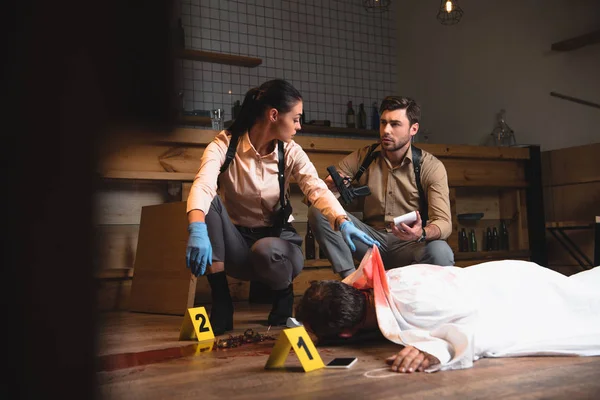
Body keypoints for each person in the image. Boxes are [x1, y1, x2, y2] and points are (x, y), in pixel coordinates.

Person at [185, 79, 379, 335]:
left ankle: (283, 298)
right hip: (237, 247)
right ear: (274, 115)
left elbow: (316, 188)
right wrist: (197, 229)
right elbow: (203, 184)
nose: (299, 126)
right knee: (208, 202)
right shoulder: (224, 144)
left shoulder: (290, 151)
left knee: (266, 249)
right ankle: (221, 301)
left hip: (278, 249)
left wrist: (341, 220)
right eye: (296, 118)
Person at [296, 246, 600, 373]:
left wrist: (440, 347)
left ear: (347, 332)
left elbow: (486, 320)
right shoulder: (381, 286)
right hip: (498, 278)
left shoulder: (413, 303)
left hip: (515, 293)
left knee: (584, 305)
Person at [308, 96, 454, 278]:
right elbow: (321, 196)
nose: (386, 130)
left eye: (395, 124)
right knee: (320, 210)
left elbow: (444, 223)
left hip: (410, 245)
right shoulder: (364, 157)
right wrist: (333, 188)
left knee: (441, 251)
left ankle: (430, 302)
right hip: (369, 241)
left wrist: (421, 233)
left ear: (413, 129)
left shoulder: (430, 166)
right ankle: (352, 282)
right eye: (383, 123)